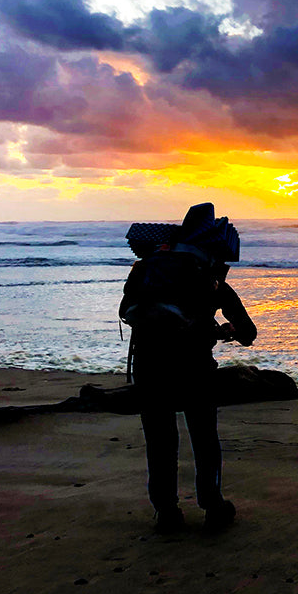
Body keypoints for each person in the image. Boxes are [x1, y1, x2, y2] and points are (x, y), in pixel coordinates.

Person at [119, 203, 257, 533]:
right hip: (194, 368)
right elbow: (248, 334)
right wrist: (226, 331)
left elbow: (128, 309)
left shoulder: (146, 269)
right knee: (204, 438)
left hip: (149, 366)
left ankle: (166, 512)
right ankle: (212, 506)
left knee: (160, 441)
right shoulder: (213, 283)